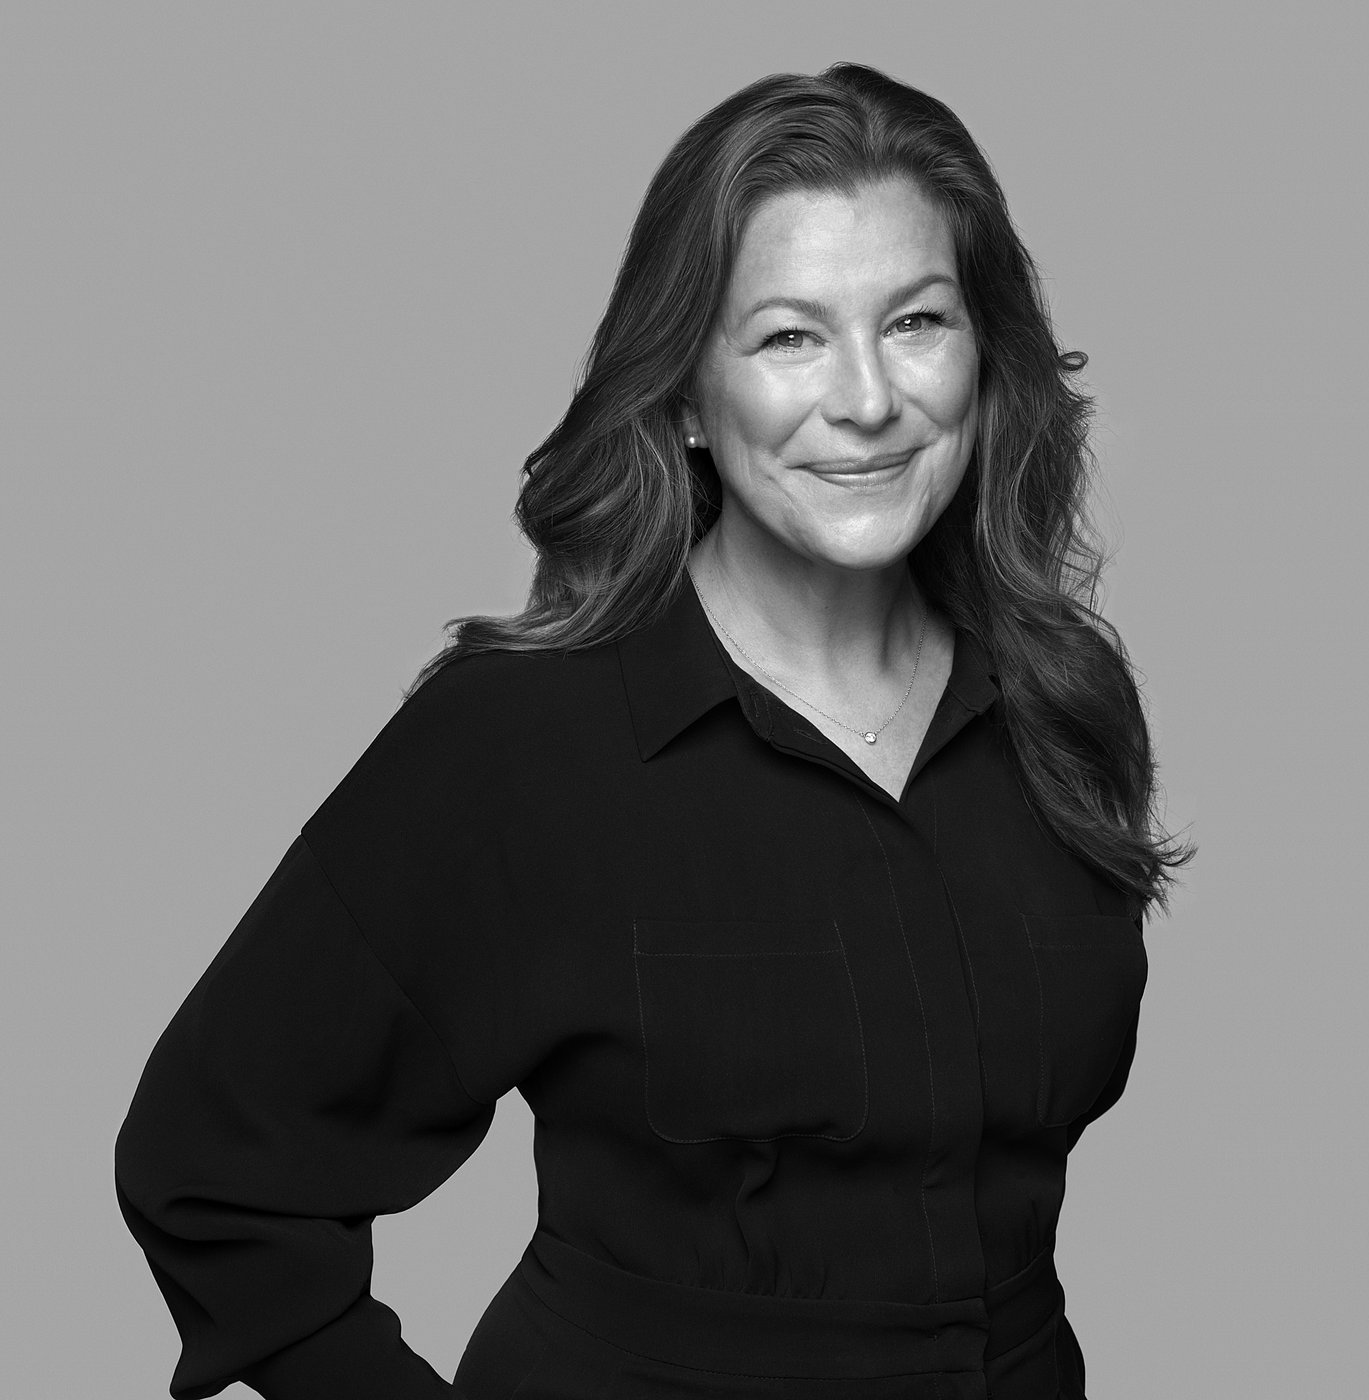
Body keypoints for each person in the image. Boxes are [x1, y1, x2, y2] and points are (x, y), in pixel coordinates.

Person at [116, 62, 1189, 1400]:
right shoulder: (519, 741)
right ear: (685, 394)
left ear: (987, 354)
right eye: (790, 336)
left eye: (915, 321)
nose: (867, 400)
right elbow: (214, 1168)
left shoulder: (1064, 701)